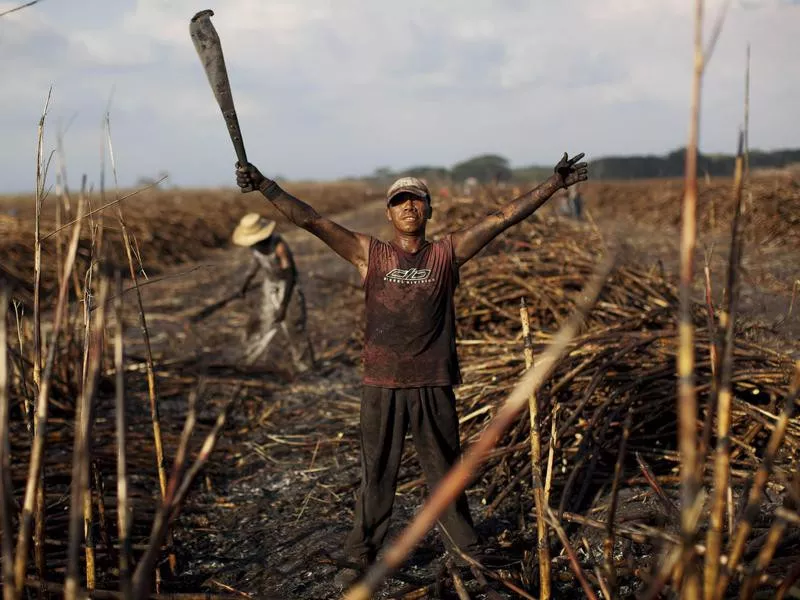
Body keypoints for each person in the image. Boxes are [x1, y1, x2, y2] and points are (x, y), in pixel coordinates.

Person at [234, 152, 588, 579]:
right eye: (400, 201)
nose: (408, 207)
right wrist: (265, 186)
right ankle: (360, 552)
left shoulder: (446, 253)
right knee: (377, 474)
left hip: (433, 382)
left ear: (428, 209)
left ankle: (465, 549)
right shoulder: (370, 254)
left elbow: (501, 219)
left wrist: (553, 185)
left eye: (416, 200)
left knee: (445, 473)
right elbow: (313, 220)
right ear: (389, 211)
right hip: (381, 384)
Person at [231, 212, 314, 371]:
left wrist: (283, 305)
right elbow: (256, 264)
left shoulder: (279, 246)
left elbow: (290, 275)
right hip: (270, 285)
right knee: (264, 321)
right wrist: (244, 285)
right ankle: (253, 359)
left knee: (293, 326)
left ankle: (305, 367)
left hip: (287, 286)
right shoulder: (255, 246)